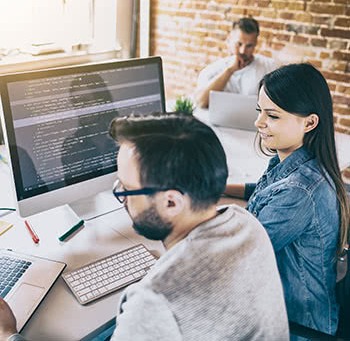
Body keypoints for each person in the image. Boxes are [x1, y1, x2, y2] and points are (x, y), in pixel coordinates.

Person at [0, 113, 289, 341]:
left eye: (125, 190)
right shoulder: (248, 224)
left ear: (172, 202)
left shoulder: (153, 302)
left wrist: (9, 334)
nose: (120, 199)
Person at [225, 63, 350, 340]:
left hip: (298, 326)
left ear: (309, 122)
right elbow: (263, 189)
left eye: (272, 116)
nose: (259, 123)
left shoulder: (300, 192)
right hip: (282, 308)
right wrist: (217, 187)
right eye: (260, 112)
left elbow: (237, 254)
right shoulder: (298, 163)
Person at [194, 17, 277, 108]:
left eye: (249, 46)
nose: (243, 51)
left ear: (256, 43)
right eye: (239, 44)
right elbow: (201, 102)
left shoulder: (269, 66)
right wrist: (230, 70)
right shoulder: (212, 69)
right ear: (229, 40)